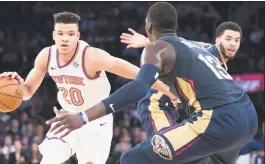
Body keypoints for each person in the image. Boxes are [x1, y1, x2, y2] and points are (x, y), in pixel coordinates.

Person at [46, 2, 258, 164]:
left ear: (148, 27)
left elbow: (139, 87)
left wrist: (83, 117)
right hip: (248, 117)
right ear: (175, 27)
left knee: (131, 159)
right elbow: (199, 49)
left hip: (219, 120)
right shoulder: (195, 46)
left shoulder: (157, 49)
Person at [0, 11, 179, 164]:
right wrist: (16, 86)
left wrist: (168, 92)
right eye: (60, 33)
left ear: (78, 36)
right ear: (54, 35)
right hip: (66, 116)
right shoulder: (46, 56)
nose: (65, 39)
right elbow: (28, 92)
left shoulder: (91, 56)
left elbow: (140, 75)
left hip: (96, 119)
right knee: (49, 158)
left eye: (70, 34)